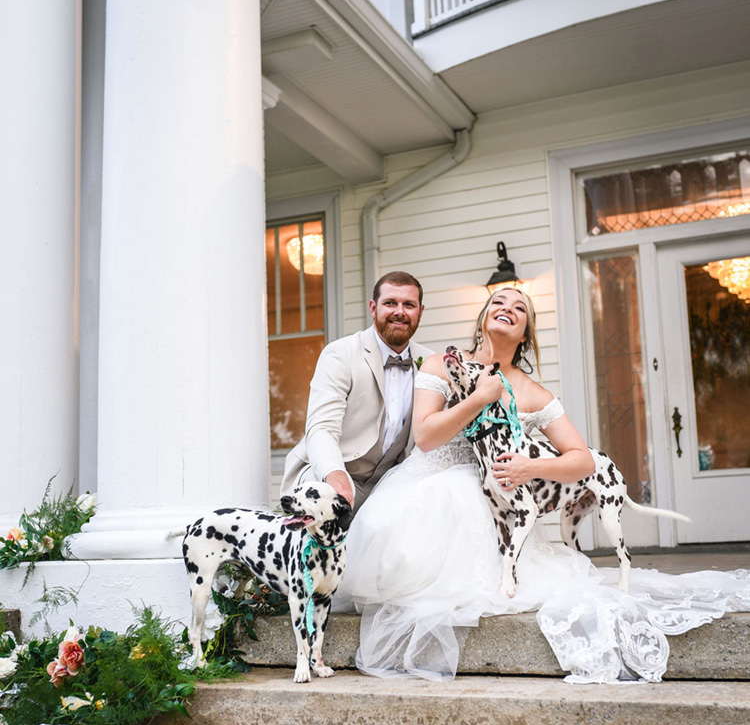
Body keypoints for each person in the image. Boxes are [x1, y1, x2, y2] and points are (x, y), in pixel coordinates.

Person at [333, 286, 750, 683]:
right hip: (431, 478)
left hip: (498, 490)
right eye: (499, 300)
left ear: (526, 333)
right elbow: (425, 437)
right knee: (426, 514)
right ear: (482, 318)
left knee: (471, 506)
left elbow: (582, 459)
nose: (508, 307)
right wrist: (480, 397)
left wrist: (531, 468)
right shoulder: (444, 364)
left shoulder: (533, 392)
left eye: (520, 308)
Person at [281, 271, 434, 512]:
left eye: (409, 305)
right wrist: (335, 475)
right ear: (373, 308)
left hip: (391, 486)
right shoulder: (340, 354)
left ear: (420, 312)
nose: (399, 311)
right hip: (332, 474)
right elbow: (321, 428)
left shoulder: (431, 363)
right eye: (390, 303)